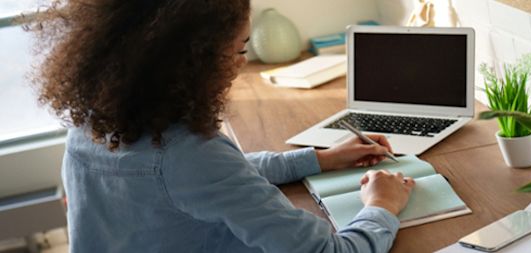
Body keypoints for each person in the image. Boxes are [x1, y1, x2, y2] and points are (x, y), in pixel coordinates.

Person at [30, 0, 415, 252]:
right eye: (240, 48)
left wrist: (319, 159)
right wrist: (382, 204)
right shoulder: (189, 154)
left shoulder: (94, 122)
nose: (241, 63)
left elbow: (214, 178)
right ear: (194, 61)